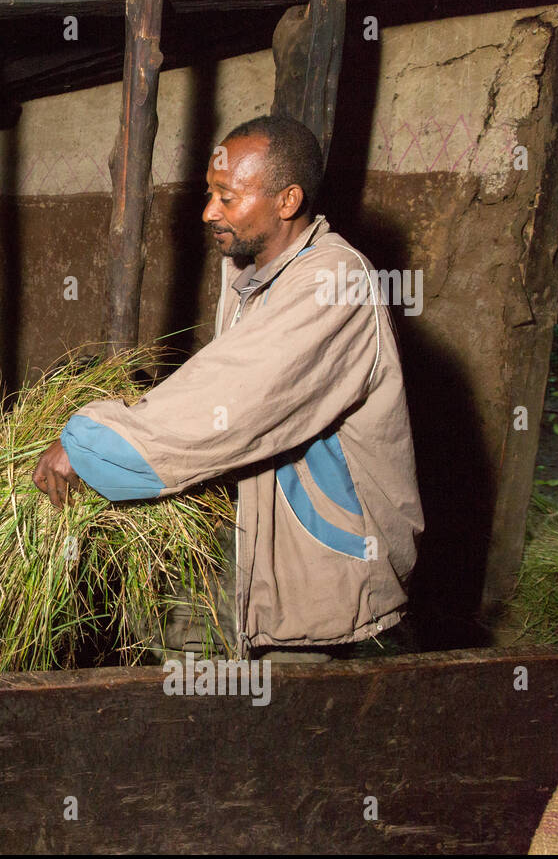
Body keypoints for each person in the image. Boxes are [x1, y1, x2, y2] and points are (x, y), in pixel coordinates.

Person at [33, 115, 424, 658]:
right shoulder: (256, 275)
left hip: (323, 569)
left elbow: (235, 396)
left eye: (227, 197)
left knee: (292, 720)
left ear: (287, 201)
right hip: (263, 542)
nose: (208, 212)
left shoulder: (334, 281)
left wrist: (93, 442)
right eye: (208, 193)